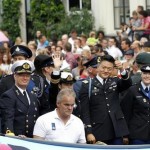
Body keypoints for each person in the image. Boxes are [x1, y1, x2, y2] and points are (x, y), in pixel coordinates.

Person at [79, 55, 132, 145]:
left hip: (116, 130)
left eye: (109, 69)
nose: (106, 71)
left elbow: (127, 83)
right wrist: (88, 132)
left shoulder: (114, 81)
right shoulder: (87, 85)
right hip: (98, 131)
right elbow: (85, 111)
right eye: (103, 67)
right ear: (98, 67)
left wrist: (122, 70)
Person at [0, 60, 39, 137]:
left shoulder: (33, 96)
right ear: (15, 76)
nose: (25, 78)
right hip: (17, 139)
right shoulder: (9, 95)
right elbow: (8, 119)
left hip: (31, 140)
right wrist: (11, 136)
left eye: (27, 75)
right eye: (21, 75)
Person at [121, 65, 150, 144]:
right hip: (137, 133)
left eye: (149, 74)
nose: (147, 76)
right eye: (144, 73)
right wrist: (125, 135)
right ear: (141, 75)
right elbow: (126, 113)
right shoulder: (132, 90)